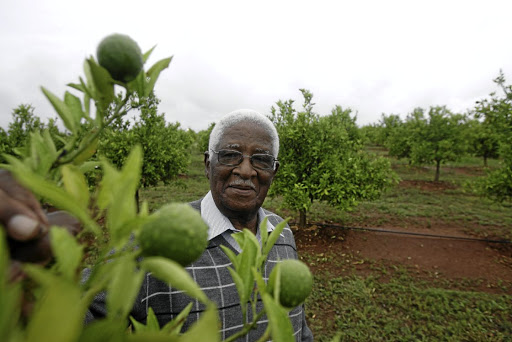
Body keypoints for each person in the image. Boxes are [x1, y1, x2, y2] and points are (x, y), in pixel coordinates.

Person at [2, 109, 314, 341]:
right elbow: (80, 315)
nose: (245, 171)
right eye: (230, 155)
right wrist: (35, 278)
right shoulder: (158, 239)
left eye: (260, 160)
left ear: (274, 170)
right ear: (208, 164)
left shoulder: (281, 233)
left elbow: (297, 324)